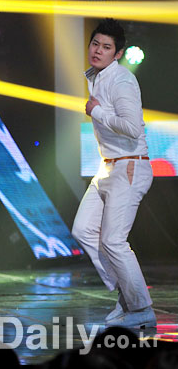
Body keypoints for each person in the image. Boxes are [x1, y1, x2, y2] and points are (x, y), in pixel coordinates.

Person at [72, 19, 155, 328]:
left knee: (113, 240)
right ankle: (127, 294)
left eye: (106, 47)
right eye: (95, 44)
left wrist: (98, 111)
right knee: (83, 230)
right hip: (107, 167)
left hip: (129, 165)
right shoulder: (96, 77)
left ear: (118, 53)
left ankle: (142, 308)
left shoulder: (120, 80)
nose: (98, 51)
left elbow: (132, 127)